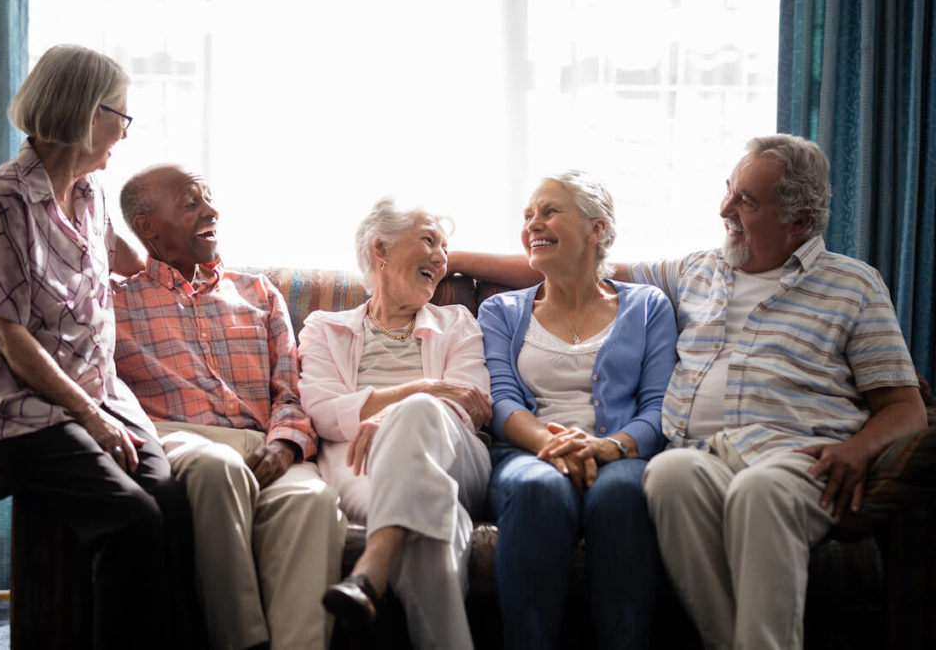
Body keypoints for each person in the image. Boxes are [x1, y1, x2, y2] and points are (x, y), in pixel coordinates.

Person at [450, 134, 928, 650]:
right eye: (728, 191)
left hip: (793, 453)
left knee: (755, 493)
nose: (724, 208)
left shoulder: (853, 285)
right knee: (668, 475)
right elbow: (577, 269)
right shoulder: (698, 270)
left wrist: (856, 451)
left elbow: (905, 405)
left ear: (800, 220)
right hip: (699, 453)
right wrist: (445, 255)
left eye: (746, 200)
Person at [0, 44, 201, 648]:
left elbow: (129, 260)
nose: (125, 130)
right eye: (123, 115)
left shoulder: (89, 195)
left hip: (98, 392)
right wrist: (90, 418)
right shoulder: (5, 199)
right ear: (88, 114)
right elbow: (11, 341)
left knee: (168, 498)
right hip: (24, 406)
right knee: (131, 521)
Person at [113, 164, 346, 650]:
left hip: (264, 445)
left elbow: (291, 390)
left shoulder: (258, 291)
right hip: (178, 439)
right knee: (216, 467)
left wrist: (285, 446)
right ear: (149, 227)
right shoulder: (111, 302)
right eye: (191, 203)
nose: (212, 211)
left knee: (313, 500)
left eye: (209, 199)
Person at [476, 170, 678, 650]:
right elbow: (500, 401)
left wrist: (609, 446)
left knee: (623, 495)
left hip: (623, 452)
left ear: (596, 229)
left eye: (549, 211)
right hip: (526, 452)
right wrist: (550, 443)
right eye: (528, 215)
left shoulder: (648, 306)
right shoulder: (500, 311)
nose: (533, 224)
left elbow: (659, 407)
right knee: (537, 489)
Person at [297, 199, 492, 650]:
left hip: (456, 458)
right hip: (359, 462)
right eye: (428, 240)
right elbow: (324, 411)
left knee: (421, 414)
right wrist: (426, 386)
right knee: (432, 522)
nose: (442, 257)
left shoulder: (457, 321)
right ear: (380, 249)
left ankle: (372, 568)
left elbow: (472, 405)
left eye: (445, 248)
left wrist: (395, 411)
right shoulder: (324, 327)